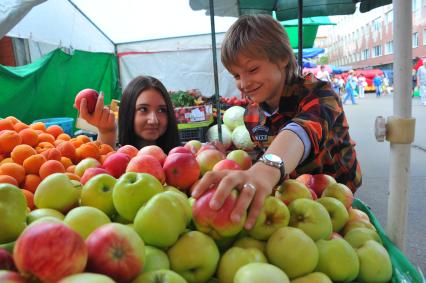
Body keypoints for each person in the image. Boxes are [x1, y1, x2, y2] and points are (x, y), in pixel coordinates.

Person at [192, 14, 362, 230]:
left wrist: (266, 170)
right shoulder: (252, 116)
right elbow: (266, 151)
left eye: (252, 69)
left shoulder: (320, 94)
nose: (243, 83)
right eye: (236, 75)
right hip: (292, 202)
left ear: (282, 58)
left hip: (338, 201)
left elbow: (301, 131)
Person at [78, 75, 181, 153]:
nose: (153, 120)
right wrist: (106, 131)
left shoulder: (184, 158)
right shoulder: (120, 159)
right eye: (143, 109)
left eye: (161, 110)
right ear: (128, 111)